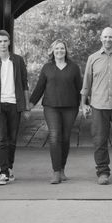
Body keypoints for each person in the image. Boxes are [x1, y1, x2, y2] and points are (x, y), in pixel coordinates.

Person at [80, 27, 112, 185]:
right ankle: (103, 172)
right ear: (100, 38)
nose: (108, 39)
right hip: (99, 105)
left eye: (110, 37)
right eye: (105, 37)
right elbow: (87, 83)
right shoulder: (93, 58)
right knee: (99, 140)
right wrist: (83, 104)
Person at [29, 39, 82, 184]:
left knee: (65, 138)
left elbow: (80, 88)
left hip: (70, 107)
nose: (60, 51)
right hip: (51, 107)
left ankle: (62, 169)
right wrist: (31, 103)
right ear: (52, 51)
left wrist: (86, 104)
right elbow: (40, 87)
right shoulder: (47, 67)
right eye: (57, 48)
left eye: (62, 48)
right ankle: (56, 172)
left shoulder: (74, 68)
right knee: (54, 136)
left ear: (66, 51)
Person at [0, 29, 31, 185]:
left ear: (9, 42)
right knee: (1, 139)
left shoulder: (18, 61)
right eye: (0, 41)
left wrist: (26, 107)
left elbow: (25, 85)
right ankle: (3, 172)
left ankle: (9, 168)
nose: (3, 44)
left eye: (5, 41)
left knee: (12, 140)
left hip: (14, 105)